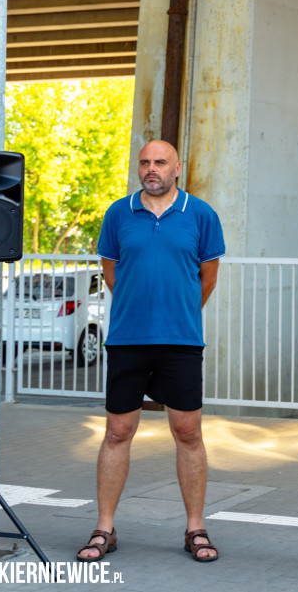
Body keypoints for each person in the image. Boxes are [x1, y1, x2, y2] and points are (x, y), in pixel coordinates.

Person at [77, 140, 226, 564]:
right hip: (127, 340)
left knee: (188, 433)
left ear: (178, 168)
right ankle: (104, 528)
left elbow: (208, 278)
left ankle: (195, 528)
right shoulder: (117, 214)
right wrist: (141, 309)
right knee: (118, 433)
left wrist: (176, 313)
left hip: (181, 342)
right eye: (144, 162)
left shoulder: (200, 215)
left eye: (160, 162)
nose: (151, 169)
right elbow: (112, 272)